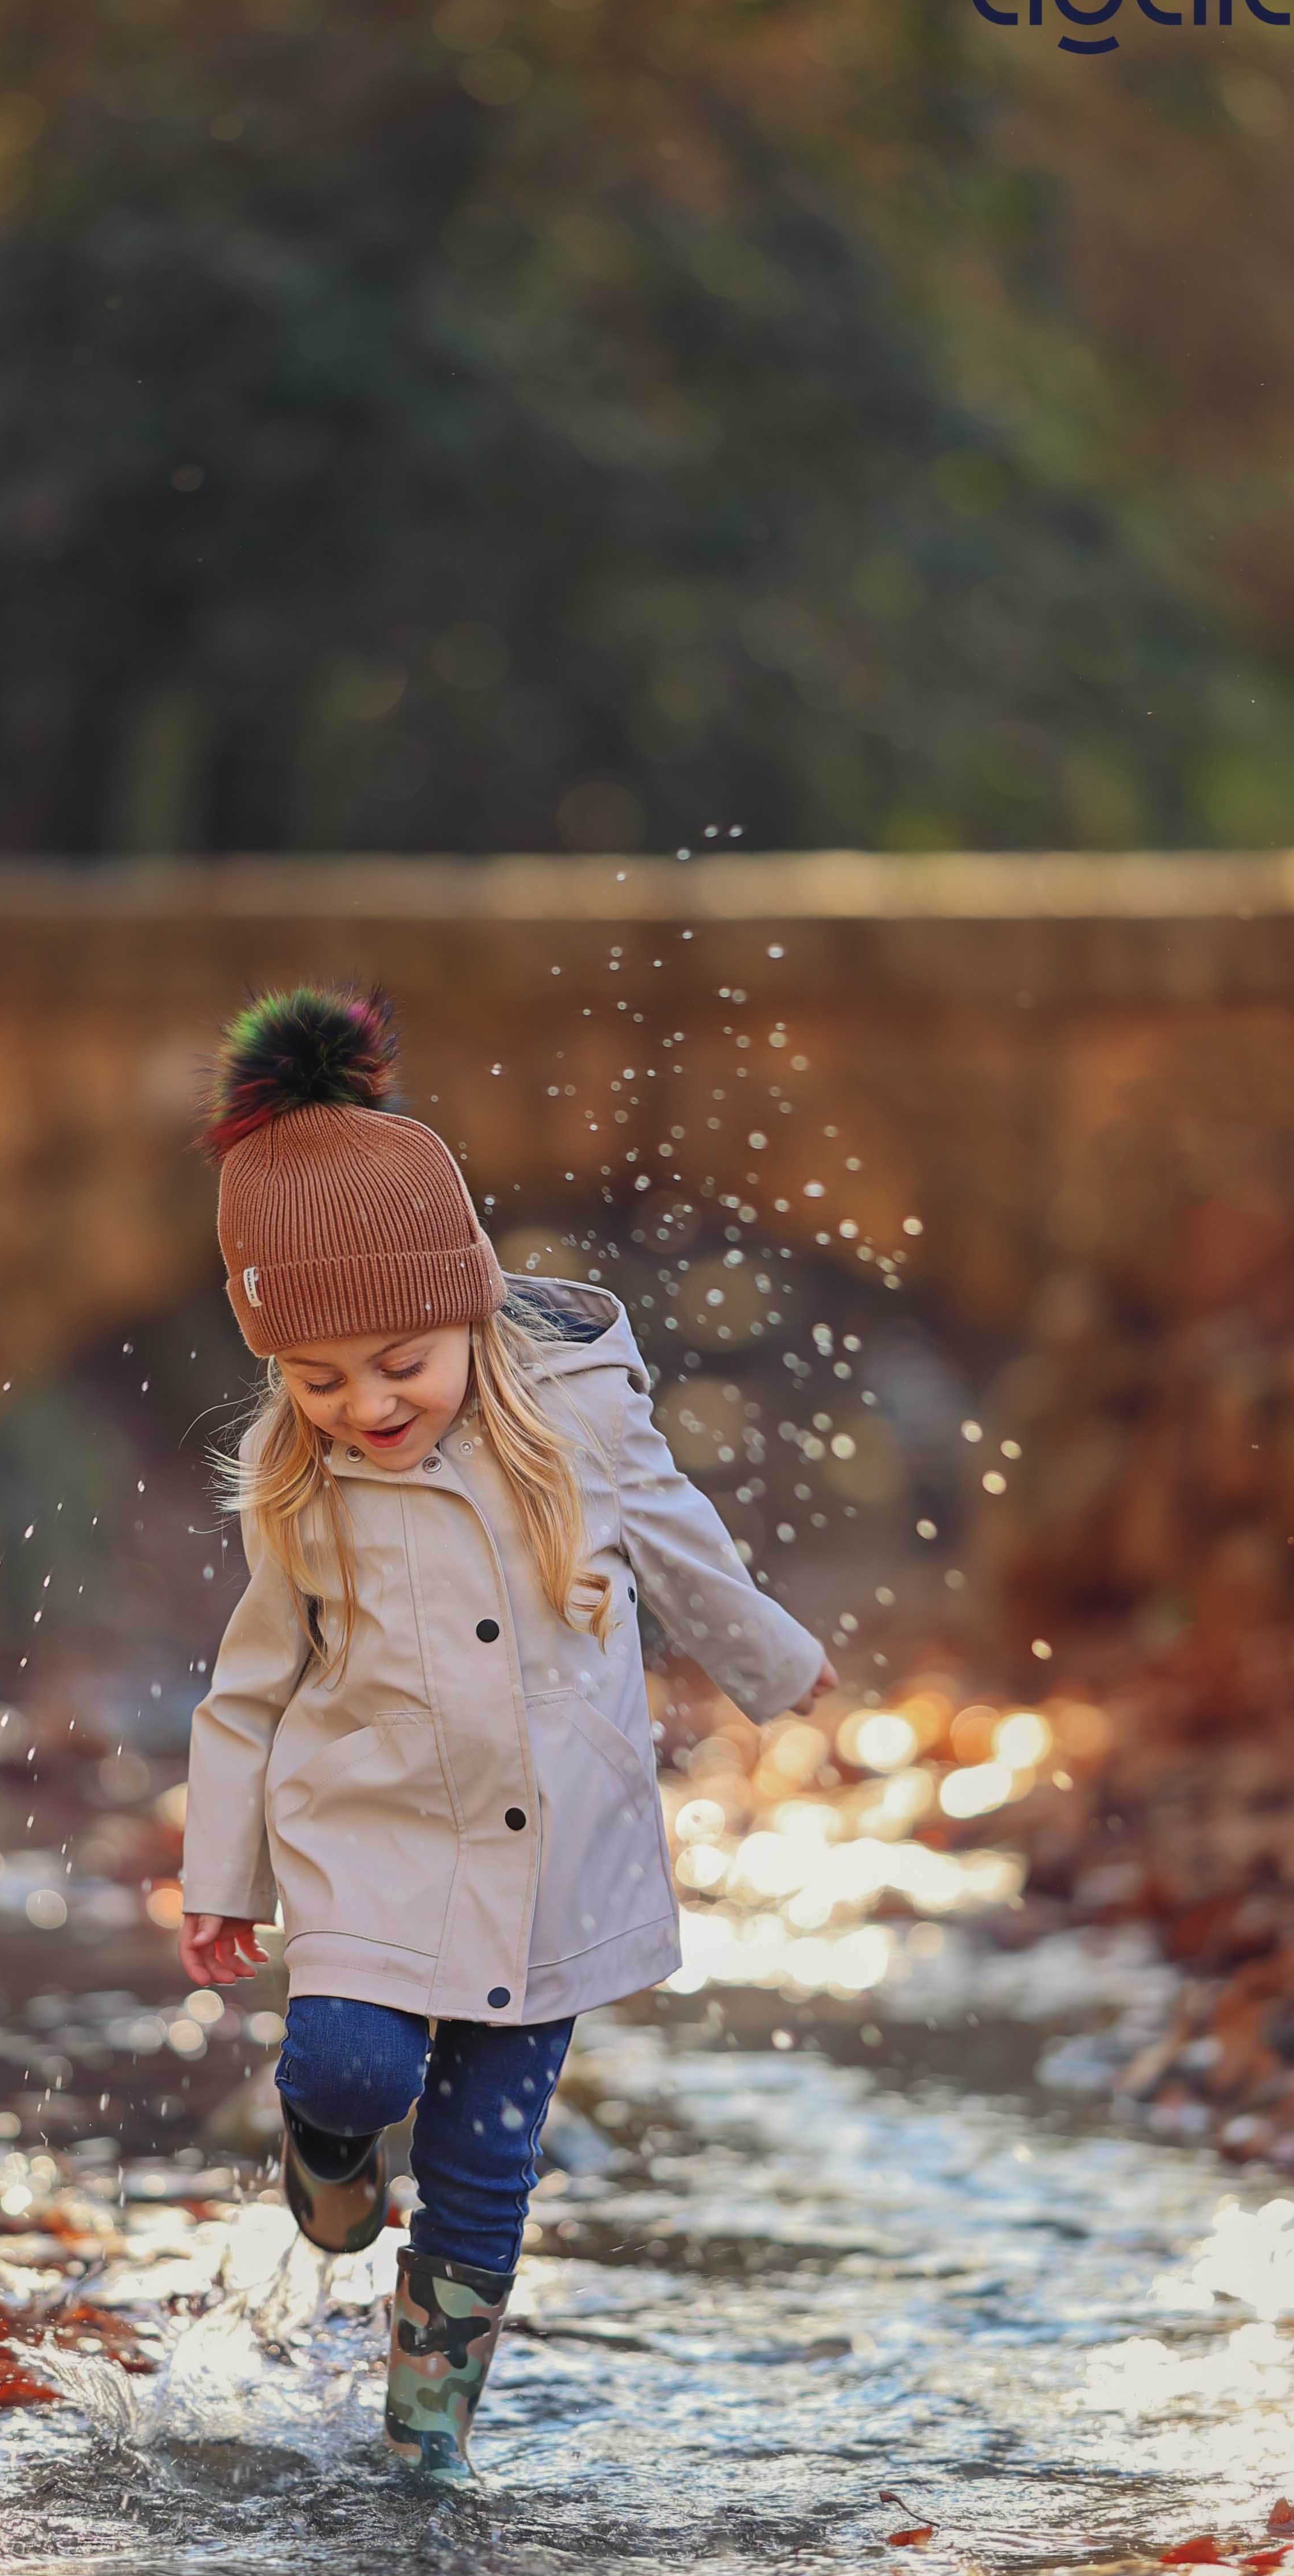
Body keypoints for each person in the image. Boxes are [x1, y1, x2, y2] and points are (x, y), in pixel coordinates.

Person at [178, 984, 834, 2480]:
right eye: (319, 1379)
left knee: (486, 2162)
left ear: (468, 1308)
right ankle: (324, 2156)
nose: (366, 1404)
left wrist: (777, 1665)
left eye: (399, 1363)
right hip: (370, 1832)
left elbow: (680, 1545)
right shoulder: (302, 1483)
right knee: (350, 2067)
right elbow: (249, 1687)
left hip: (555, 1842)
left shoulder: (582, 1423)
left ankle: (426, 2440)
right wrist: (224, 1876)